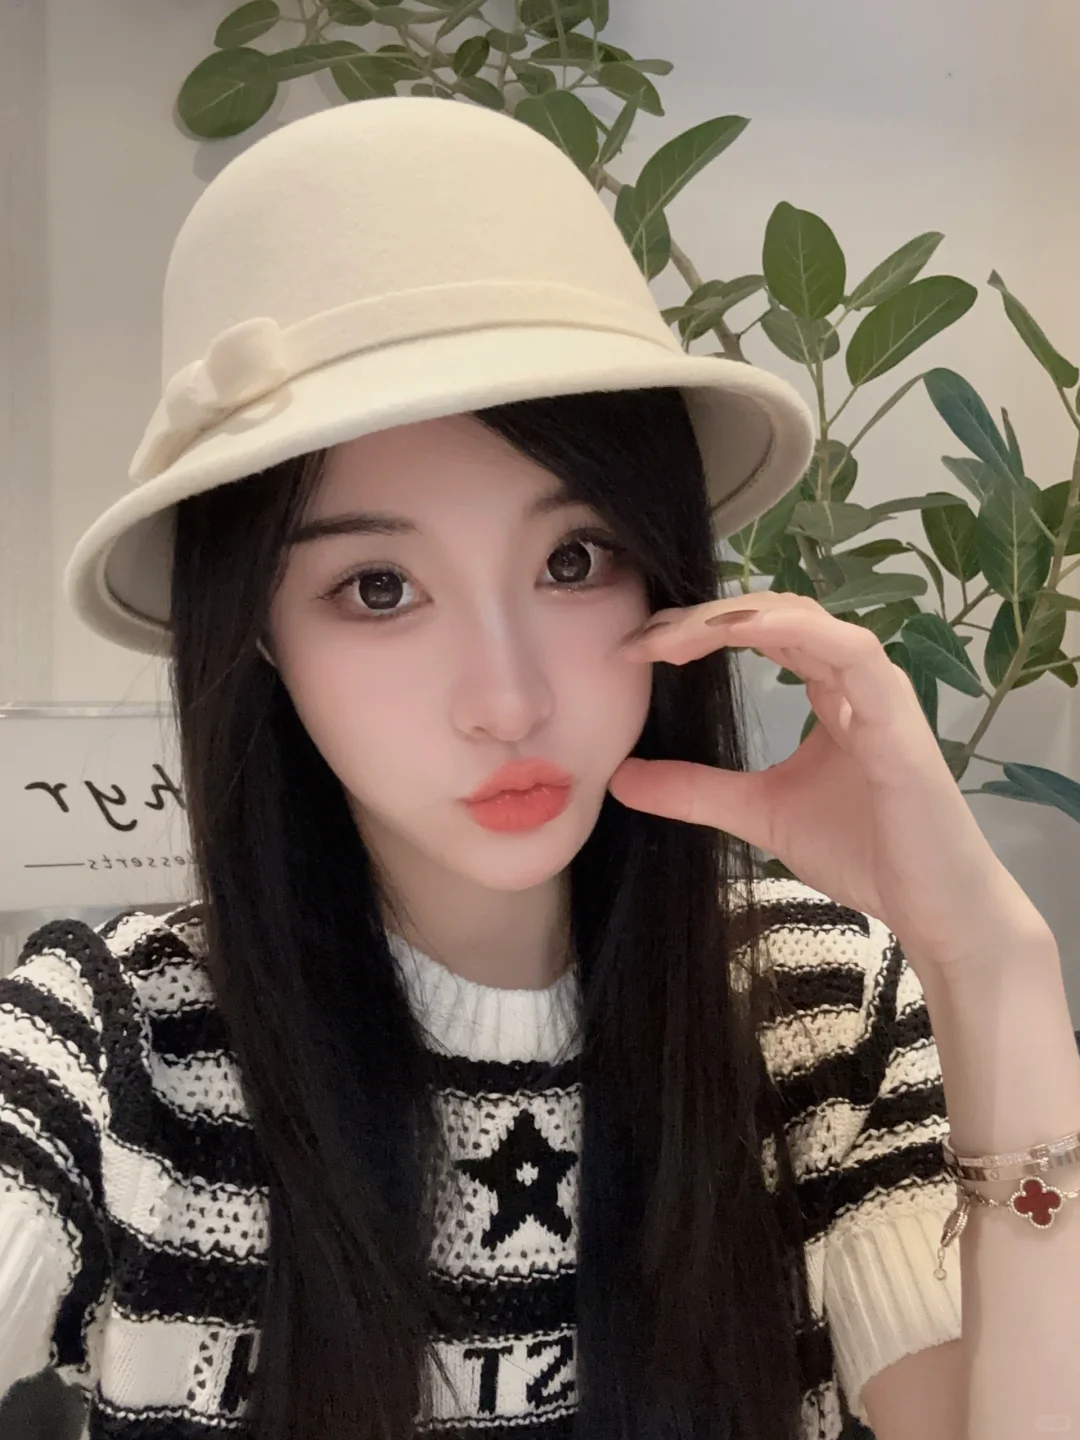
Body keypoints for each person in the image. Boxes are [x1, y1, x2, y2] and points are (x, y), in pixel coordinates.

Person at [0, 97, 1077, 1440]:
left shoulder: (815, 1012)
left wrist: (989, 960)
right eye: (378, 586)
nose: (507, 702)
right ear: (259, 634)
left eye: (573, 560)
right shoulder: (117, 1053)